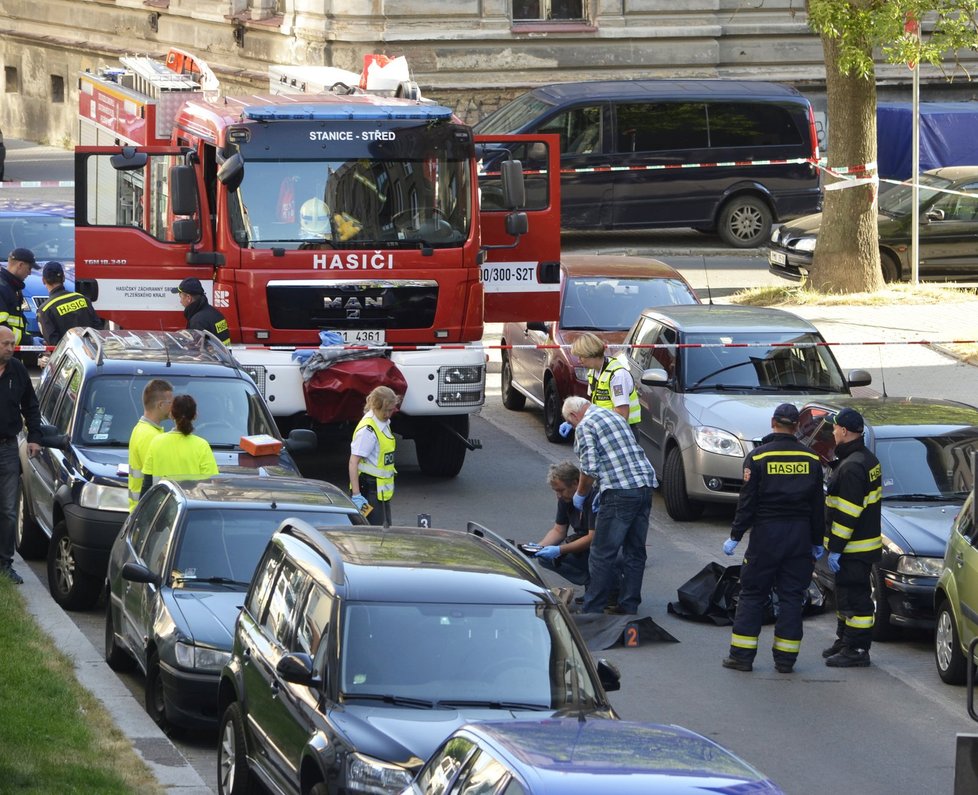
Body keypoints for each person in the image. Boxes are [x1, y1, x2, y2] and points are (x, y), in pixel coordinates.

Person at [720, 403, 825, 674]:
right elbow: (817, 506)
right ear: (797, 426)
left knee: (753, 594)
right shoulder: (812, 459)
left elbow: (747, 502)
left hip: (766, 536)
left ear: (772, 422)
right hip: (800, 537)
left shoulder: (757, 458)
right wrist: (817, 541)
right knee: (792, 596)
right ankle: (785, 661)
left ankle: (741, 657)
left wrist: (736, 535)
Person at [561, 395, 656, 615]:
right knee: (635, 551)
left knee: (602, 552)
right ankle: (629, 606)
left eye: (571, 423)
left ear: (574, 415)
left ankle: (593, 608)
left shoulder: (585, 426)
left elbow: (589, 468)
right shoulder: (612, 416)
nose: (573, 428)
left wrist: (580, 494)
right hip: (644, 486)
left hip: (620, 492)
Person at [821, 407, 882, 668]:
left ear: (844, 431)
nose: (832, 431)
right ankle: (845, 641)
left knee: (856, 599)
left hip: (853, 548)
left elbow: (847, 515)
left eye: (834, 428)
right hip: (858, 546)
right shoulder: (865, 460)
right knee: (844, 596)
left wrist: (835, 548)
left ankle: (857, 649)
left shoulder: (852, 468)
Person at [0, 326, 42, 584]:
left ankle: (5, 563)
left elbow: (31, 405)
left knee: (8, 509)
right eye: (5, 343)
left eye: (11, 343)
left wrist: (35, 437)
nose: (9, 347)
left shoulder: (17, 370)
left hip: (6, 448)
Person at [532, 461, 597, 587]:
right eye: (555, 491)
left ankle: (607, 588)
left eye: (561, 490)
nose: (558, 496)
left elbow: (592, 538)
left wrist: (560, 550)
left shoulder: (593, 499)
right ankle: (593, 584)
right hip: (585, 546)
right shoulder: (565, 499)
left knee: (600, 557)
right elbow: (558, 531)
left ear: (575, 483)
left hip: (603, 547)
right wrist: (539, 547)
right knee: (545, 558)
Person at [140, 394, 219, 498]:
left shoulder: (156, 442)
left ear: (171, 414)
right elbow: (210, 485)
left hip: (161, 506)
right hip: (191, 506)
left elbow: (147, 484)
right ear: (195, 415)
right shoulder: (202, 445)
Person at [349, 386, 400, 527]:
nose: (389, 414)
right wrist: (356, 495)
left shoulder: (383, 422)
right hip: (369, 493)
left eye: (391, 410)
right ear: (376, 406)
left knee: (384, 533)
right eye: (386, 410)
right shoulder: (368, 430)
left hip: (380, 492)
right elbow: (353, 462)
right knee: (375, 536)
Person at [570, 332, 640, 429]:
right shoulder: (593, 372)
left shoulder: (617, 375)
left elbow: (622, 415)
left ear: (590, 354)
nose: (578, 361)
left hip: (622, 431)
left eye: (581, 357)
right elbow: (593, 405)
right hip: (607, 427)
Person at [127, 379, 173, 511]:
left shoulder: (142, 429)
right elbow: (157, 480)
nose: (173, 406)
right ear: (160, 405)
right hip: (149, 513)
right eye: (171, 402)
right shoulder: (151, 437)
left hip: (141, 510)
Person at [36, 261, 104, 346]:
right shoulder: (83, 299)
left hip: (69, 356)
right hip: (91, 353)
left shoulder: (45, 309)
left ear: (43, 280)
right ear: (63, 278)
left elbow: (52, 343)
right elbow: (98, 329)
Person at [170, 278, 231, 346]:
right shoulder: (215, 313)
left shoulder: (198, 321)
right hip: (223, 355)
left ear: (188, 298)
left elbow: (195, 351)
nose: (180, 301)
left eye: (181, 297)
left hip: (211, 356)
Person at [0, 248, 39, 347]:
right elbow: (1, 329)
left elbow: (16, 325)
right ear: (20, 265)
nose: (30, 273)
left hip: (9, 351)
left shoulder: (13, 287)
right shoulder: (3, 288)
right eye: (29, 268)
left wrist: (30, 338)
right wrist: (29, 340)